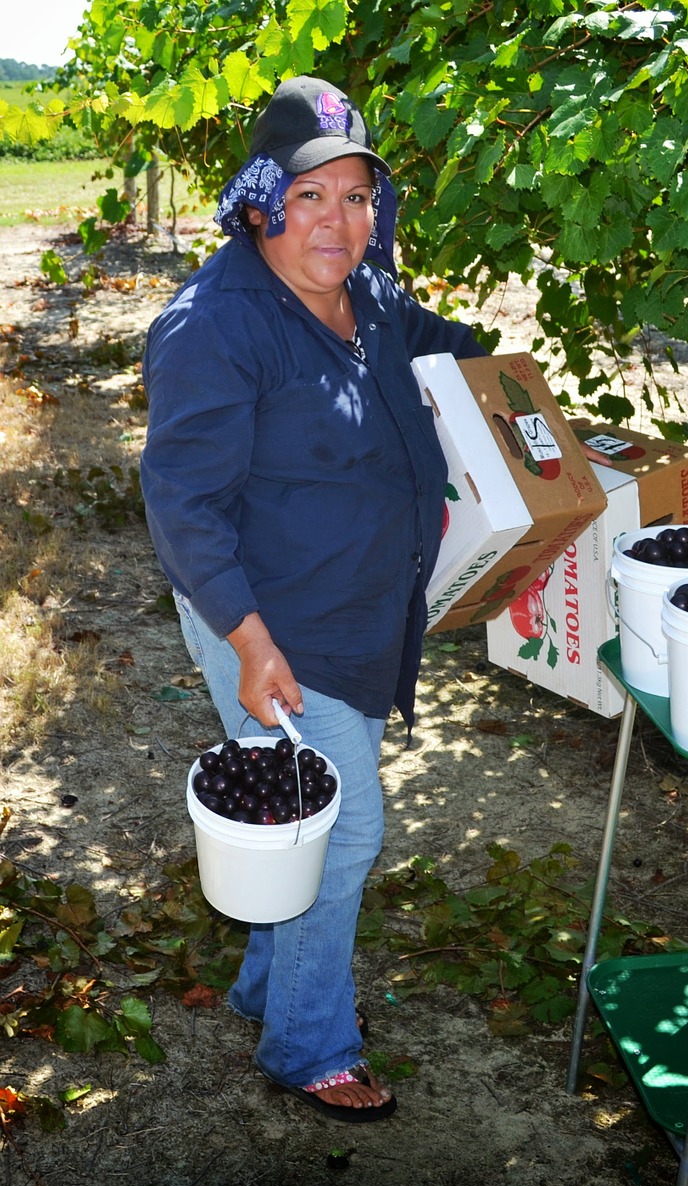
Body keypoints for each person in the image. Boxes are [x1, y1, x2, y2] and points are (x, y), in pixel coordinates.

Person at [141, 76, 487, 1121]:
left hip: (355, 613)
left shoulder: (370, 301)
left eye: (356, 196)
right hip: (266, 617)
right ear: (259, 203)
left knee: (309, 816)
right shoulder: (216, 325)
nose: (337, 221)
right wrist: (247, 641)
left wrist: (533, 415)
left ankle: (267, 984)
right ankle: (308, 1044)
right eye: (310, 198)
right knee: (344, 827)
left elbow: (457, 357)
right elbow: (185, 505)